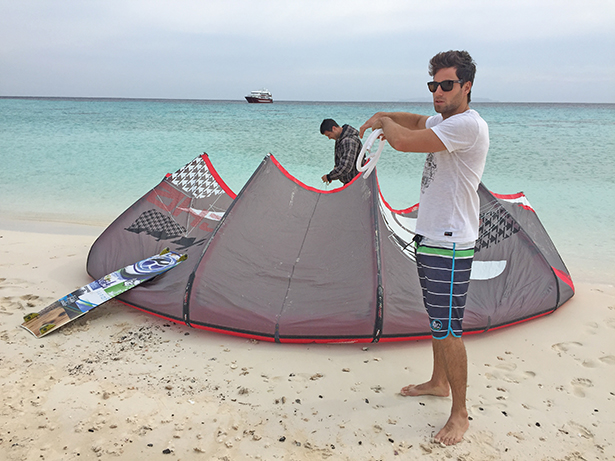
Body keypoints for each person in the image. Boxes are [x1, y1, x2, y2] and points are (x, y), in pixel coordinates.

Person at [359, 50, 489, 446]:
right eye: (433, 85)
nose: (438, 92)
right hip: (432, 235)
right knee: (437, 320)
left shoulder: (467, 125)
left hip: (451, 242)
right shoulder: (445, 120)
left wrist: (383, 123)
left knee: (449, 328)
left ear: (466, 87)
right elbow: (416, 122)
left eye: (447, 85)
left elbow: (404, 140)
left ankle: (460, 413)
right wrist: (386, 113)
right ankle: (438, 383)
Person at [320, 119, 363, 185]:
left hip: (357, 184)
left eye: (329, 135)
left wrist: (329, 177)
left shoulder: (349, 141)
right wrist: (334, 174)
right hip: (350, 184)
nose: (329, 138)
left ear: (334, 128)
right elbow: (340, 162)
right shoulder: (339, 139)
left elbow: (346, 167)